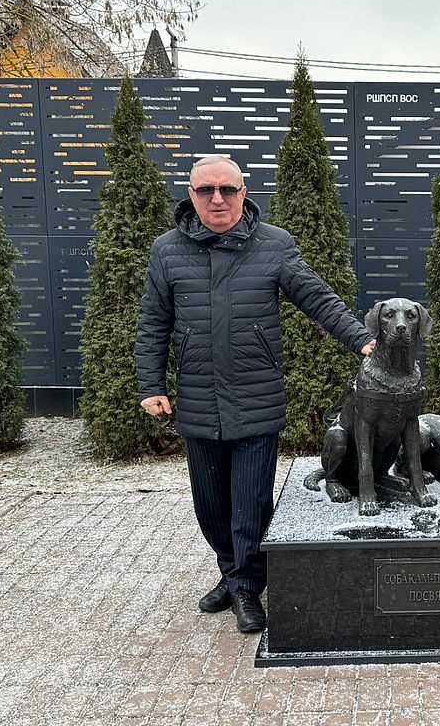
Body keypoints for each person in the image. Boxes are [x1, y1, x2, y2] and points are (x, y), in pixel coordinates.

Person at [135, 155, 374, 633]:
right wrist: (150, 385)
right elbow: (153, 322)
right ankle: (234, 570)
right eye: (206, 190)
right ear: (191, 195)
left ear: (244, 193)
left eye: (228, 189)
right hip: (199, 399)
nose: (217, 198)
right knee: (210, 503)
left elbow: (318, 297)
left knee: (250, 500)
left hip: (256, 396)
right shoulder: (166, 251)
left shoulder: (274, 245)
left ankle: (246, 586)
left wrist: (360, 338)